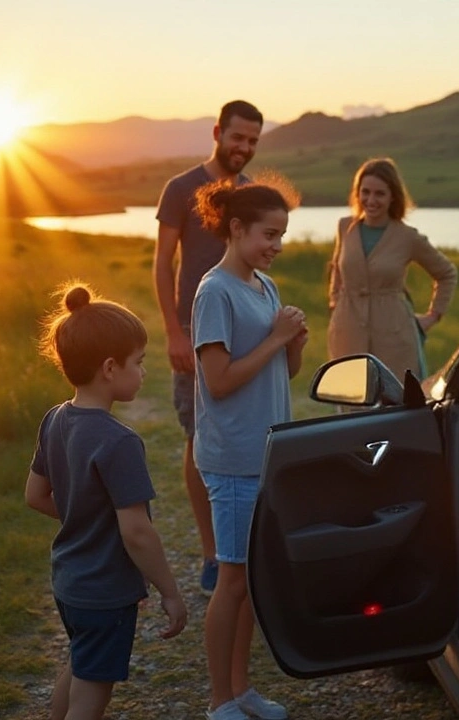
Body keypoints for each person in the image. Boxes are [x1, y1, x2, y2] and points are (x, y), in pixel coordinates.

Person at [24, 283, 189, 720]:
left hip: (69, 582)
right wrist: (170, 592)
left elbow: (35, 495)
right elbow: (136, 531)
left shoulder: (55, 419)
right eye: (140, 363)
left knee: (81, 664)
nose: (144, 372)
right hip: (104, 591)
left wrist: (84, 516)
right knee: (94, 692)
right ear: (110, 368)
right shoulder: (119, 442)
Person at [191, 176, 305, 720]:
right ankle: (218, 703)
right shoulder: (215, 291)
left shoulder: (264, 286)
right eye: (268, 234)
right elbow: (218, 380)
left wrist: (293, 342)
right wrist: (277, 338)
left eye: (281, 236)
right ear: (235, 229)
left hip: (267, 451)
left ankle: (241, 691)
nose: (276, 246)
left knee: (252, 581)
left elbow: (284, 370)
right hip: (234, 455)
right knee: (232, 580)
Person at [154, 100, 264, 595]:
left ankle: (242, 550)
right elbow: (163, 264)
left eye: (253, 142)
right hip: (195, 334)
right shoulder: (180, 189)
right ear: (218, 132)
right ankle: (211, 554)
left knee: (242, 437)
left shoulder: (251, 195)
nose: (244, 148)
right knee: (199, 438)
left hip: (244, 337)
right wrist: (175, 332)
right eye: (238, 137)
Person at [327, 157, 458, 383]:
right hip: (347, 331)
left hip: (395, 335)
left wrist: (433, 316)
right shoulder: (344, 226)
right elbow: (337, 268)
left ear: (393, 197)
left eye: (380, 193)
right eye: (365, 192)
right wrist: (336, 302)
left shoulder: (407, 237)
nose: (371, 200)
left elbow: (447, 273)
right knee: (349, 401)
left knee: (393, 403)